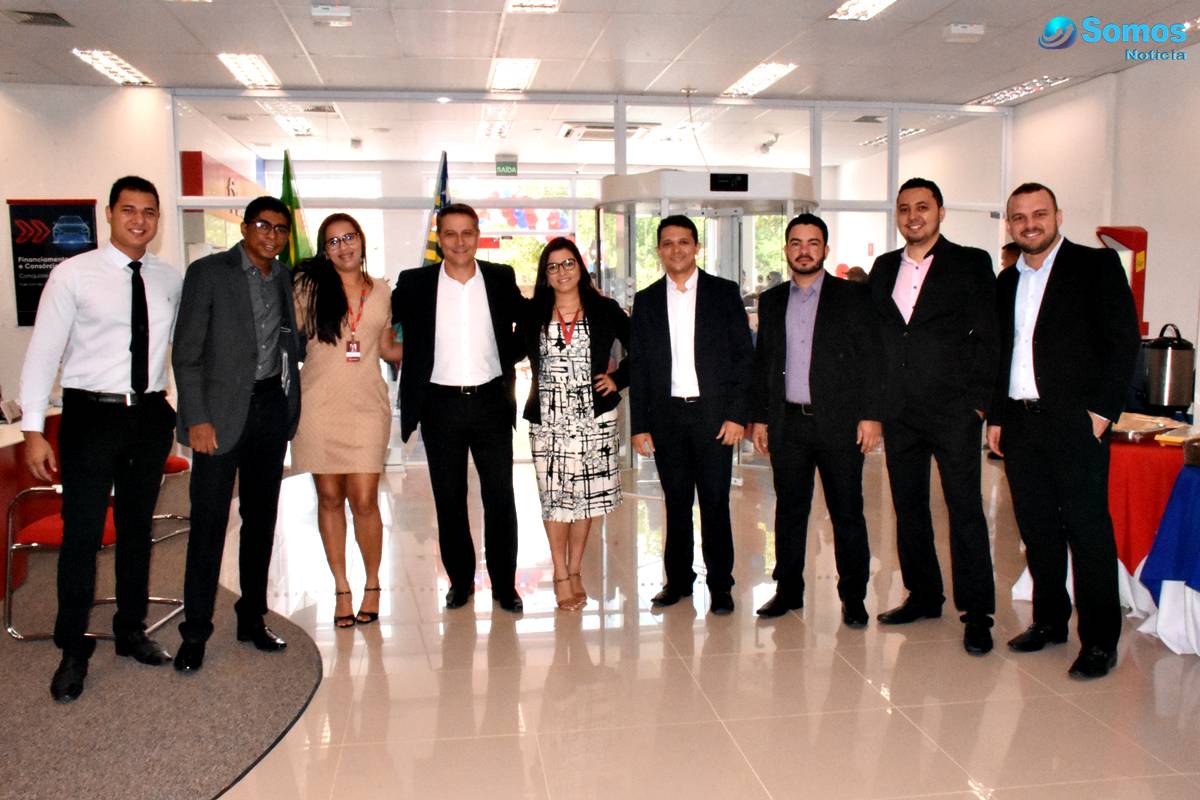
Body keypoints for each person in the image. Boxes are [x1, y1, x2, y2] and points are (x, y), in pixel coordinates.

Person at [19, 176, 181, 702]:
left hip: (148, 416)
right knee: (82, 536)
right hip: (90, 416)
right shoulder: (73, 274)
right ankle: (72, 649)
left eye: (149, 212)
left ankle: (130, 631)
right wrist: (33, 430)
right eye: (129, 210)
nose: (139, 220)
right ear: (109, 214)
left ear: (157, 220)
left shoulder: (168, 278)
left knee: (136, 531)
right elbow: (43, 352)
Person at [987, 183, 1139, 680]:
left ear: (1058, 216)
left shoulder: (1095, 266)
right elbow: (1002, 353)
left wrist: (1101, 413)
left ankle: (1099, 641)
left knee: (1088, 532)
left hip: (1076, 424)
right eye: (1019, 217)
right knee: (1037, 530)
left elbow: (1122, 342)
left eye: (1039, 214)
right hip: (1021, 423)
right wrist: (996, 416)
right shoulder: (1007, 281)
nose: (1029, 224)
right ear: (1010, 224)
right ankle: (1049, 621)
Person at [171, 196, 304, 672]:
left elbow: (286, 342)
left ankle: (251, 618)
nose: (273, 235)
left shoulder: (283, 277)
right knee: (208, 525)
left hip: (268, 409)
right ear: (245, 228)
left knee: (261, 521)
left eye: (281, 229)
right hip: (218, 417)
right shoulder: (208, 273)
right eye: (264, 226)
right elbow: (186, 353)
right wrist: (196, 418)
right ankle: (195, 632)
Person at [867, 177, 999, 655]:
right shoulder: (884, 267)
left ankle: (977, 612)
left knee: (964, 509)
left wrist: (979, 403)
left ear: (941, 212)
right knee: (909, 507)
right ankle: (923, 594)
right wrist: (874, 406)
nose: (913, 216)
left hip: (952, 411)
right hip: (899, 411)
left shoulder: (970, 263)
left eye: (922, 207)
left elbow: (990, 335)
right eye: (905, 208)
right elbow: (876, 338)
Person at [391, 203, 526, 613]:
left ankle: (505, 584)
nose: (460, 242)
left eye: (467, 233)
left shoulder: (500, 278)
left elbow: (528, 320)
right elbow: (382, 315)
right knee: (449, 499)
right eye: (450, 233)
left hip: (491, 402)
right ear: (440, 238)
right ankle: (460, 582)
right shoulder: (415, 283)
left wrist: (509, 357)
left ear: (478, 235)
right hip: (440, 405)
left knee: (500, 497)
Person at [749, 213, 883, 626]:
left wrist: (871, 415)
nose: (804, 251)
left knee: (847, 512)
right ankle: (788, 590)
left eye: (812, 243)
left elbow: (871, 359)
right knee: (789, 511)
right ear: (786, 250)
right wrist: (760, 418)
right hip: (788, 424)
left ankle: (854, 597)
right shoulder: (772, 301)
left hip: (839, 424)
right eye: (796, 243)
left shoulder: (853, 297)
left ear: (825, 249)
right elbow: (764, 363)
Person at [629, 214, 753, 616]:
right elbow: (639, 367)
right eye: (668, 243)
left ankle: (721, 585)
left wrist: (737, 416)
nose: (676, 249)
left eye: (684, 242)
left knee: (715, 503)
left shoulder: (723, 293)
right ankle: (678, 582)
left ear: (697, 247)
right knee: (676, 504)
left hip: (713, 418)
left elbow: (743, 358)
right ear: (659, 250)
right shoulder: (647, 300)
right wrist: (639, 425)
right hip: (667, 419)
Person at [291, 213, 403, 628]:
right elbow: (284, 335)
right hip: (318, 406)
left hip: (368, 407)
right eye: (334, 241)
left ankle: (372, 584)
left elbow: (387, 348)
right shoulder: (308, 289)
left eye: (349, 237)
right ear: (325, 250)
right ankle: (341, 588)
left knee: (365, 500)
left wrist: (436, 346)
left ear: (361, 240)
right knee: (329, 498)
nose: (344, 246)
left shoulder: (382, 291)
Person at [518, 237, 629, 611]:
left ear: (580, 267)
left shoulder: (604, 309)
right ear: (545, 275)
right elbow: (508, 350)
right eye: (553, 266)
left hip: (594, 419)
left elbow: (642, 348)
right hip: (548, 420)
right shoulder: (534, 312)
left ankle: (576, 569)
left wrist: (618, 379)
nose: (562, 272)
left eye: (568, 263)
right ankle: (560, 573)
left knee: (587, 498)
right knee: (554, 499)